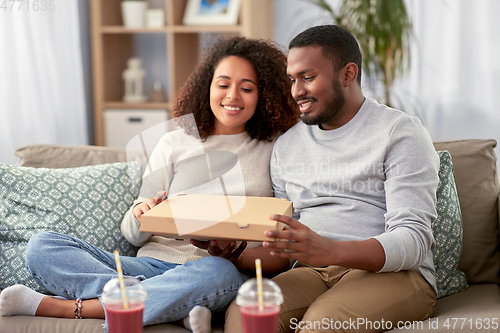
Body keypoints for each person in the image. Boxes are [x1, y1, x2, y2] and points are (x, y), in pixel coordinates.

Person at [0, 36, 298, 333]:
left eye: (247, 88)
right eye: (223, 84)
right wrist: (142, 213)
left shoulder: (273, 149)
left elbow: (282, 249)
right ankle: (170, 307)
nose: (233, 96)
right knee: (42, 246)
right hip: (151, 267)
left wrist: (235, 254)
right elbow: (131, 232)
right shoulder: (174, 142)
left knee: (219, 271)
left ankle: (76, 308)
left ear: (264, 95)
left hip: (216, 271)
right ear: (207, 86)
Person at [225, 25, 440, 333]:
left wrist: (331, 250)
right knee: (247, 314)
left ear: (348, 74)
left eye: (308, 77)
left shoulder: (400, 132)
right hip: (310, 271)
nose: (296, 91)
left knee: (320, 325)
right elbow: (284, 248)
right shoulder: (287, 146)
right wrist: (237, 254)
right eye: (292, 79)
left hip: (394, 273)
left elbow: (414, 239)